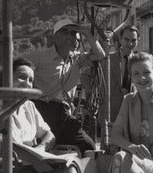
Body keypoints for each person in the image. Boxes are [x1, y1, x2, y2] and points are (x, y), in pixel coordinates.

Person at [27, 19, 105, 155]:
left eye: (74, 33)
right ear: (55, 37)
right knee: (47, 150)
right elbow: (16, 70)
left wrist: (86, 33)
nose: (71, 36)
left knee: (88, 147)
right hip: (42, 108)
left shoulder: (77, 59)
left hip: (65, 113)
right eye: (65, 32)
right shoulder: (39, 56)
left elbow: (100, 55)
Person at [101, 25, 140, 123]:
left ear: (138, 41)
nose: (130, 43)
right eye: (127, 39)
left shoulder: (140, 62)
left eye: (134, 40)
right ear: (120, 39)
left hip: (133, 115)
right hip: (110, 114)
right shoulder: (107, 59)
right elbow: (86, 76)